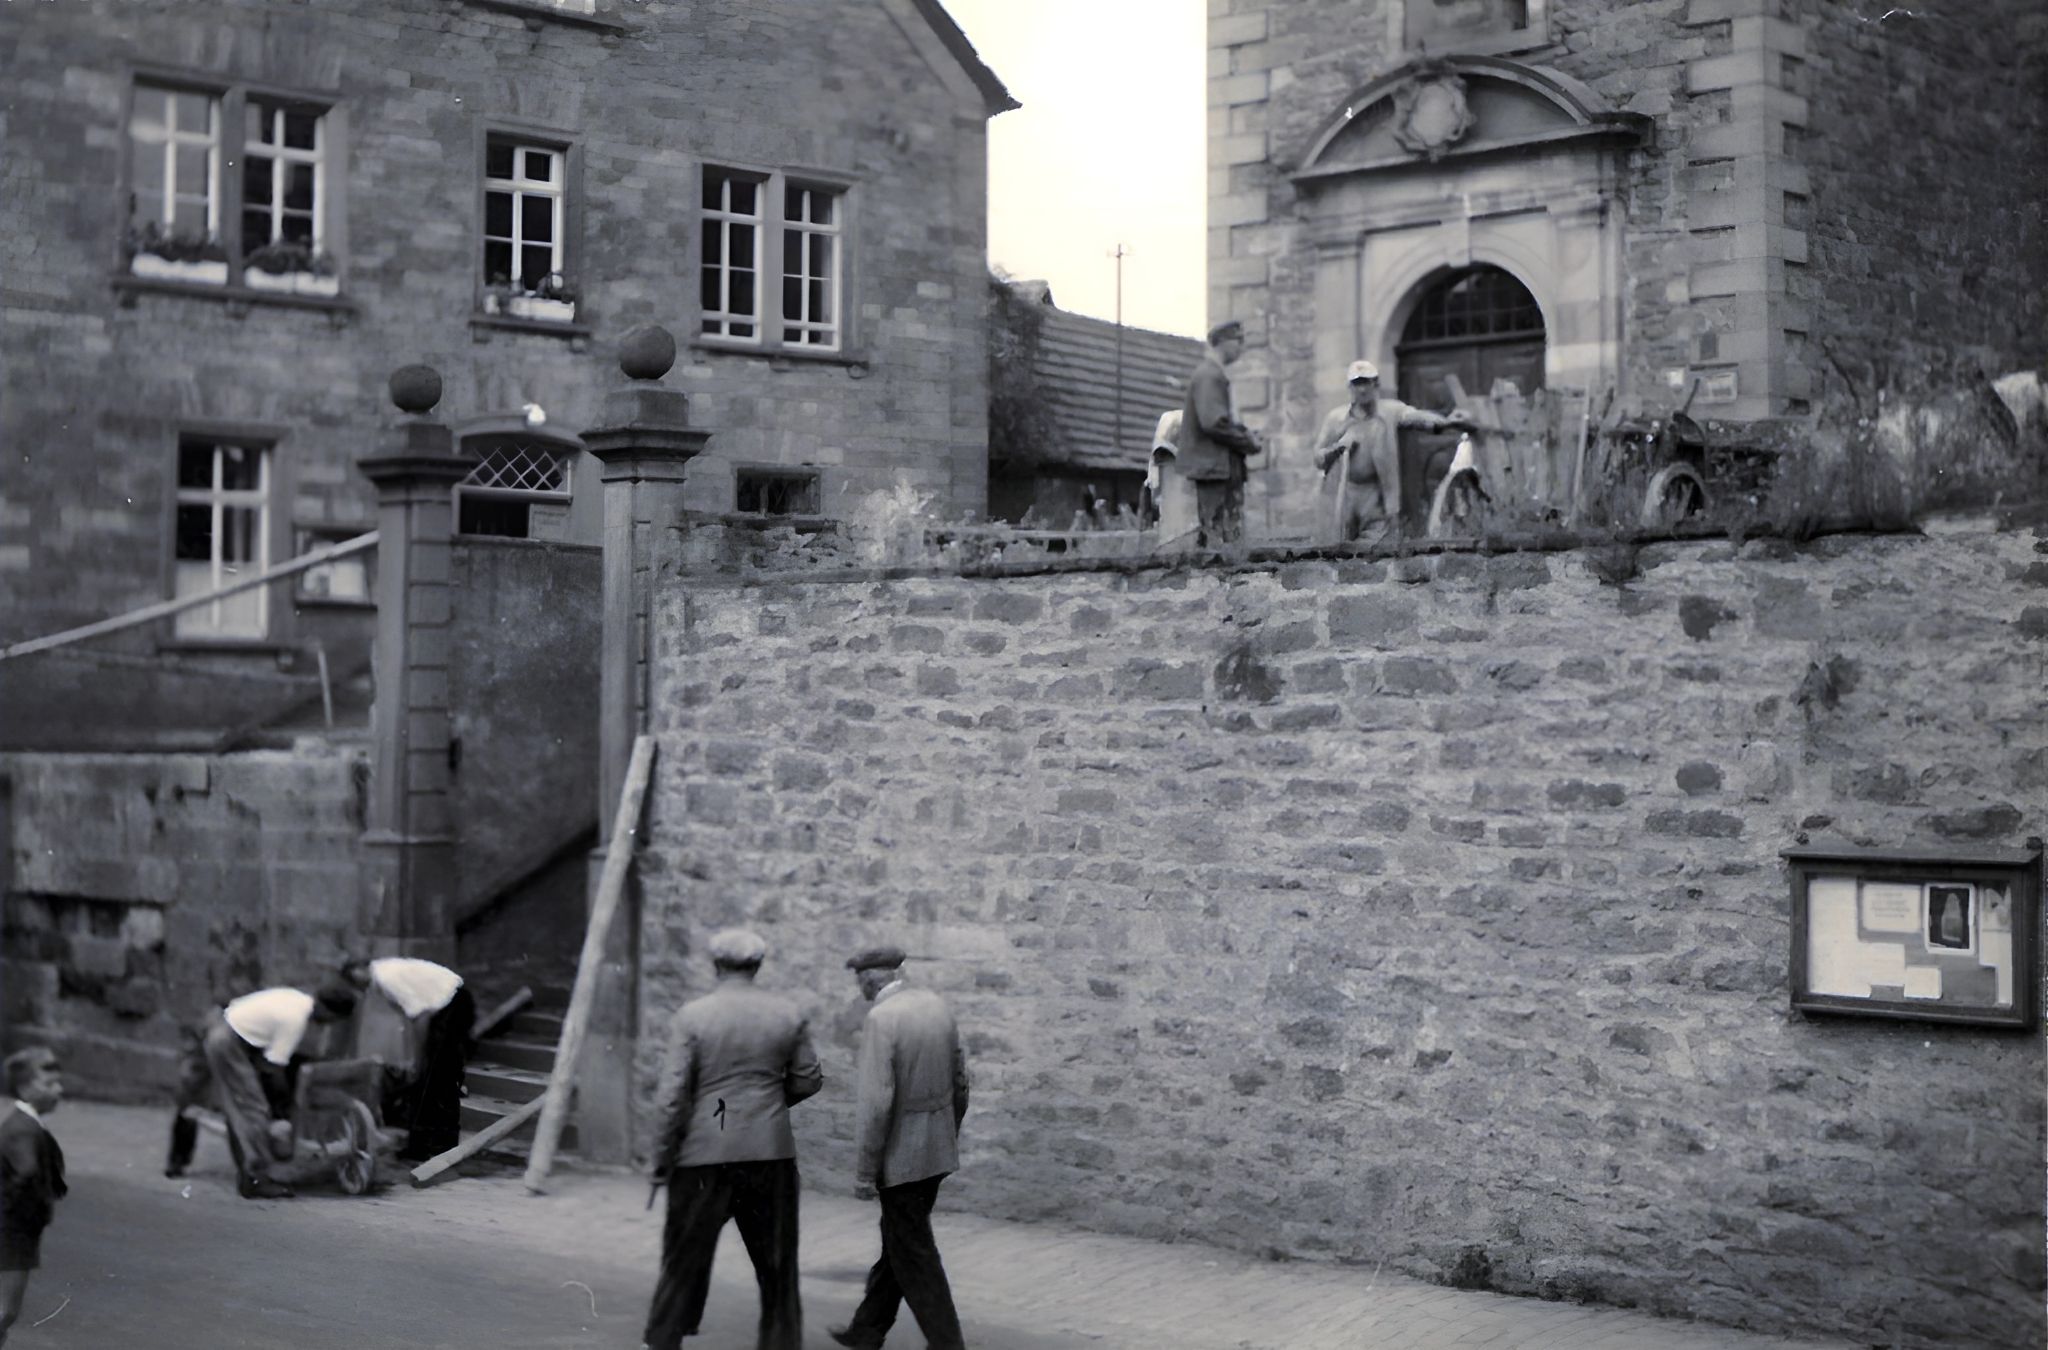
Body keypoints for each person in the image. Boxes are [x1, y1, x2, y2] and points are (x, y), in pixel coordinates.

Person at [642, 929, 823, 1350]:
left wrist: (661, 1159)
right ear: (757, 966)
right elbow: (809, 1079)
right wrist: (768, 1107)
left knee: (684, 1254)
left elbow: (672, 1097)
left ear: (716, 965)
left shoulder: (694, 1015)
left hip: (705, 1152)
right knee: (777, 1263)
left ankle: (664, 1338)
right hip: (769, 1152)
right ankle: (780, 1343)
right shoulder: (788, 1013)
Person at [829, 946, 971, 1350]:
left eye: (860, 982)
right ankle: (866, 1330)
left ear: (870, 980)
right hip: (937, 1150)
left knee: (913, 1251)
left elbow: (877, 1103)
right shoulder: (936, 1006)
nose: (860, 990)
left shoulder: (882, 1019)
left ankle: (947, 1342)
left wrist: (864, 1171)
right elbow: (962, 1080)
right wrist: (948, 1132)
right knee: (899, 1239)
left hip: (901, 1158)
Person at [333, 955, 475, 1161]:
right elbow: (409, 1018)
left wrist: (417, 1059)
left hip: (451, 1002)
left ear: (361, 969)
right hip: (447, 1002)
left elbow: (421, 1017)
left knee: (436, 1078)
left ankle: (440, 1147)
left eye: (353, 978)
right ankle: (422, 1144)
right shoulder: (383, 977)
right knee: (428, 1081)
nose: (357, 986)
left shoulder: (386, 978)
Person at [1314, 359, 1472, 543]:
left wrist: (1445, 421)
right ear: (1350, 387)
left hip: (1375, 495)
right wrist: (1337, 449)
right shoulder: (1336, 419)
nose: (1362, 390)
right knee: (1339, 547)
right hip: (1345, 492)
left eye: (1366, 383)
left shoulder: (1390, 411)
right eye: (1357, 384)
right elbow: (1317, 458)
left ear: (1376, 385)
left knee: (1373, 548)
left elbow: (1416, 417)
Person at [0, 1048, 66, 1349]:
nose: (58, 1090)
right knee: (6, 1310)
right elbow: (26, 1172)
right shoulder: (23, 1130)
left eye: (58, 1083)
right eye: (49, 1084)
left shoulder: (27, 1123)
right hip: (13, 1231)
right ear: (25, 1088)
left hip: (16, 1228)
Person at [1177, 320, 1263, 546]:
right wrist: (1247, 441)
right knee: (1216, 535)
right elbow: (1214, 423)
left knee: (1227, 535)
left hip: (1221, 469)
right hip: (1214, 470)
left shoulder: (1215, 374)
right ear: (1222, 342)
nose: (1241, 347)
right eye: (1238, 340)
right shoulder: (1209, 375)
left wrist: (1244, 433)